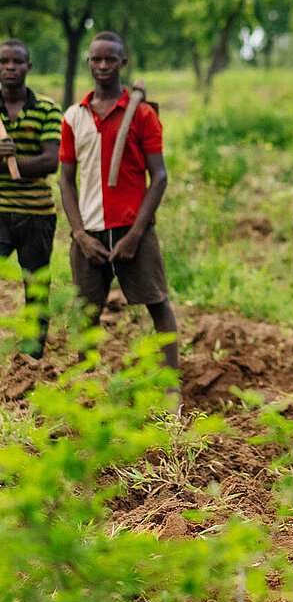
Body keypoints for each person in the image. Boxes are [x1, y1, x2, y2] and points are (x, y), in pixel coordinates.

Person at [59, 31, 178, 371]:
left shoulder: (142, 115)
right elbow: (66, 180)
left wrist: (135, 235)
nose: (103, 65)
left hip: (133, 230)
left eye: (111, 59)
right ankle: (87, 386)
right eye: (96, 59)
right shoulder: (74, 117)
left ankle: (171, 389)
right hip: (90, 232)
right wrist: (79, 234)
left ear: (123, 62)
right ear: (88, 63)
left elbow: (160, 177)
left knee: (158, 304)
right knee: (86, 312)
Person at [0, 38, 62, 358]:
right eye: (4, 62)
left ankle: (32, 356)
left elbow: (51, 161)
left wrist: (13, 163)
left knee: (36, 287)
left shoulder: (48, 109)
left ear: (29, 67)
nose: (11, 67)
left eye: (17, 62)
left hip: (37, 213)